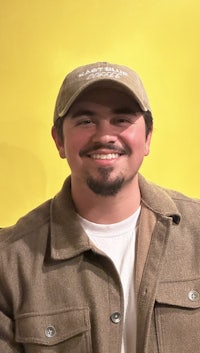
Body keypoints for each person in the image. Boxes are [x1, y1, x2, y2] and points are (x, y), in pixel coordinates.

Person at [0, 61, 200, 353]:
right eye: (86, 121)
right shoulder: (9, 261)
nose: (105, 136)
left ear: (147, 138)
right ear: (59, 141)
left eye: (121, 119)